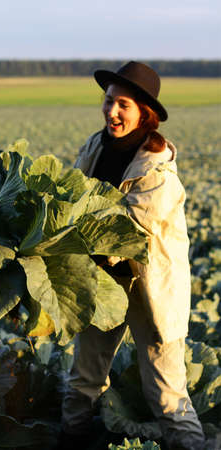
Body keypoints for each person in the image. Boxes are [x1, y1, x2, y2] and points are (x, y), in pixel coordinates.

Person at [58, 62, 206, 450]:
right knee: (83, 379)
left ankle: (189, 446)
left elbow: (126, 233)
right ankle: (73, 440)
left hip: (150, 286)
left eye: (124, 105)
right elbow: (71, 199)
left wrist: (73, 239)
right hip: (101, 282)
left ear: (145, 113)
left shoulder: (158, 172)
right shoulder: (94, 148)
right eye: (109, 102)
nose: (113, 112)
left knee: (166, 392)